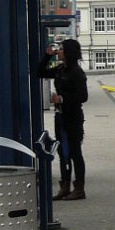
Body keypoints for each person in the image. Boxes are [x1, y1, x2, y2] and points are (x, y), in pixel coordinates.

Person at [38, 39, 89, 200]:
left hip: (73, 116)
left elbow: (83, 96)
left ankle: (79, 188)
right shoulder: (61, 69)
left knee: (74, 152)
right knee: (62, 151)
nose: (58, 51)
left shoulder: (76, 72)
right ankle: (65, 186)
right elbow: (40, 72)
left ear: (68, 53)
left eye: (61, 49)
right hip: (60, 116)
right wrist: (47, 56)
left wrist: (63, 98)